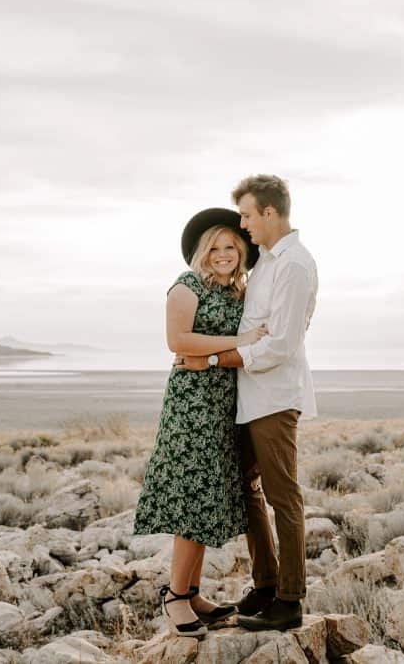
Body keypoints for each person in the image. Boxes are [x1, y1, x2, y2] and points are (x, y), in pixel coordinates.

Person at [176, 175, 319, 631]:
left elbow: (279, 345)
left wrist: (215, 358)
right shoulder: (265, 267)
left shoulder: (293, 265)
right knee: (248, 490)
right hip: (249, 397)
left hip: (275, 398)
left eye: (247, 216)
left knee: (283, 497)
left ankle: (289, 601)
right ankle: (266, 583)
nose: (243, 225)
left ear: (270, 213)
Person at [132, 208, 268, 638]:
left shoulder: (236, 293)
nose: (224, 254)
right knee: (192, 499)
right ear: (202, 252)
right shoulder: (185, 285)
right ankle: (174, 596)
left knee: (206, 500)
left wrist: (209, 356)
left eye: (232, 246)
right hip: (192, 408)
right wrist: (239, 341)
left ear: (242, 251)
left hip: (224, 407)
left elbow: (199, 351)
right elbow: (178, 341)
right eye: (216, 247)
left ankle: (191, 593)